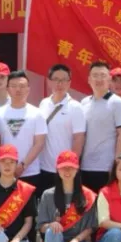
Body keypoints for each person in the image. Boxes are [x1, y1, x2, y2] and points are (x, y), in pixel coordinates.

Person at [35, 150, 97, 242]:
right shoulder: (48, 195)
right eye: (63, 167)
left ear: (77, 170)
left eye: (71, 167)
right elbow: (41, 226)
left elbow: (91, 227)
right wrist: (50, 225)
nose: (67, 171)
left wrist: (76, 239)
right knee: (52, 231)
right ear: (57, 170)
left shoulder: (88, 195)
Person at [0, 71, 47, 196]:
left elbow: (39, 143)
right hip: (5, 172)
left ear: (28, 89)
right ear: (7, 89)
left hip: (30, 172)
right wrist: (6, 165)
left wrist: (23, 166)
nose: (18, 89)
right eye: (13, 86)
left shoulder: (37, 114)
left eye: (22, 86)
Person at [81, 61, 121, 193]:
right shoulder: (84, 103)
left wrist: (117, 164)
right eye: (95, 75)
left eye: (103, 75)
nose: (99, 79)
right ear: (89, 79)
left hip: (106, 167)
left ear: (109, 79)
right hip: (85, 165)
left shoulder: (117, 103)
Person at [39, 63, 87, 199]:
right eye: (56, 79)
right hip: (44, 167)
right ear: (49, 81)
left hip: (65, 169)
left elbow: (79, 139)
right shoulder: (43, 103)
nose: (59, 84)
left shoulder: (75, 107)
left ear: (69, 83)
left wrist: (71, 165)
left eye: (64, 80)